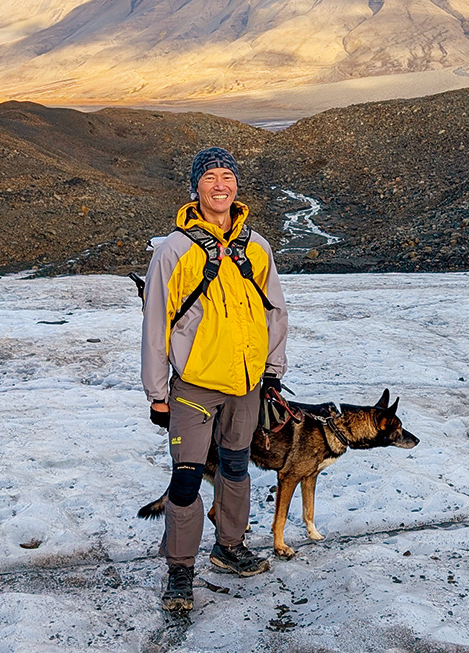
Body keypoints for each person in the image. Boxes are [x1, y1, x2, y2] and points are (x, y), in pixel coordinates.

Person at [140, 146, 289, 612]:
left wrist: (272, 373)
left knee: (236, 468)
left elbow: (276, 312)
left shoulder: (257, 247)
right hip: (195, 386)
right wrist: (157, 393)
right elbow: (155, 323)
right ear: (195, 188)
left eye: (227, 176)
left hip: (246, 384)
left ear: (237, 186)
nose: (219, 185)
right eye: (210, 178)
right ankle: (181, 572)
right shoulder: (175, 249)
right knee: (186, 481)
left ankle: (229, 547)